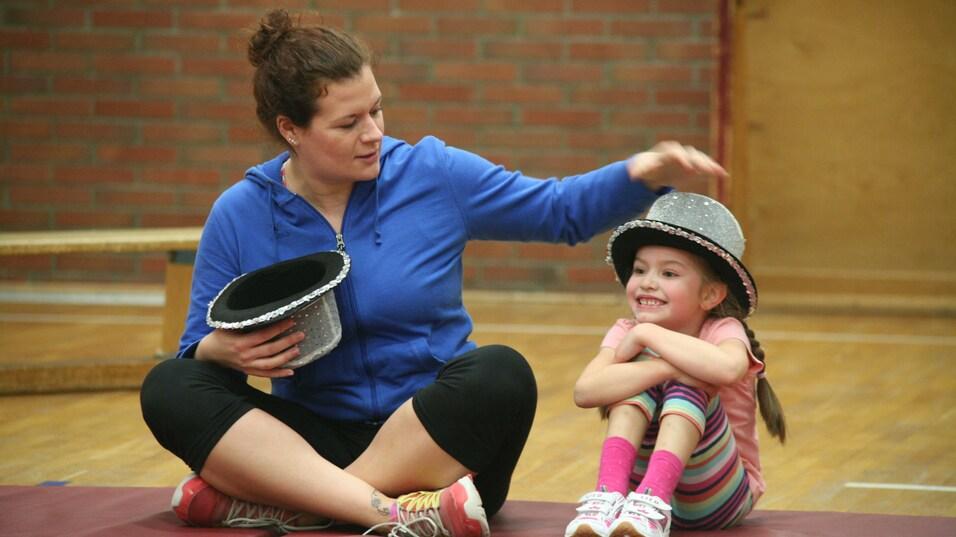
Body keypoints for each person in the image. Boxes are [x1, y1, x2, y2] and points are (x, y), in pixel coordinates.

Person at [139, 9, 728, 537]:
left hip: (438, 444)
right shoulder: (239, 213)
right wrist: (222, 350)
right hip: (313, 442)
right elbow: (197, 349)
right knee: (170, 387)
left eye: (376, 109)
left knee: (501, 373)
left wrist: (642, 172)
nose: (373, 132)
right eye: (348, 124)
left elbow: (559, 212)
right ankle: (386, 514)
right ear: (291, 129)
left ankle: (303, 507)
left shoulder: (432, 173)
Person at [564, 192, 786, 537]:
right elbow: (585, 390)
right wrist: (662, 365)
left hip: (718, 496)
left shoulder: (723, 329)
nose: (648, 281)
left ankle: (653, 499)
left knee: (692, 379)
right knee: (639, 375)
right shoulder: (628, 332)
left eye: (669, 273)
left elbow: (728, 369)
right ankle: (608, 495)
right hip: (632, 503)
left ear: (710, 295)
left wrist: (649, 335)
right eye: (640, 270)